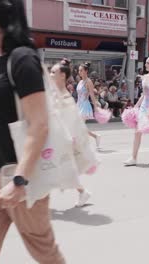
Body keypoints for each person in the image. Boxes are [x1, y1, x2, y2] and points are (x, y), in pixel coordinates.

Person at [0, 1, 66, 263]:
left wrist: (19, 181)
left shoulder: (22, 58)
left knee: (46, 254)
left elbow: (39, 124)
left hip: (21, 178)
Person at [50, 58, 92, 207]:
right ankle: (82, 192)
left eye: (53, 72)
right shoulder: (56, 91)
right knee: (58, 168)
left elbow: (68, 121)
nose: (50, 74)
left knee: (62, 168)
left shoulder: (65, 96)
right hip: (53, 136)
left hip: (60, 137)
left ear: (62, 75)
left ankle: (82, 191)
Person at [77, 62, 101, 150]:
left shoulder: (88, 81)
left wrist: (95, 107)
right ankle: (95, 136)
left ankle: (82, 145)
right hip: (79, 105)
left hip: (84, 105)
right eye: (79, 70)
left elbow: (91, 95)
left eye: (81, 70)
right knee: (80, 126)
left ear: (86, 71)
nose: (79, 72)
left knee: (79, 126)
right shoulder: (80, 81)